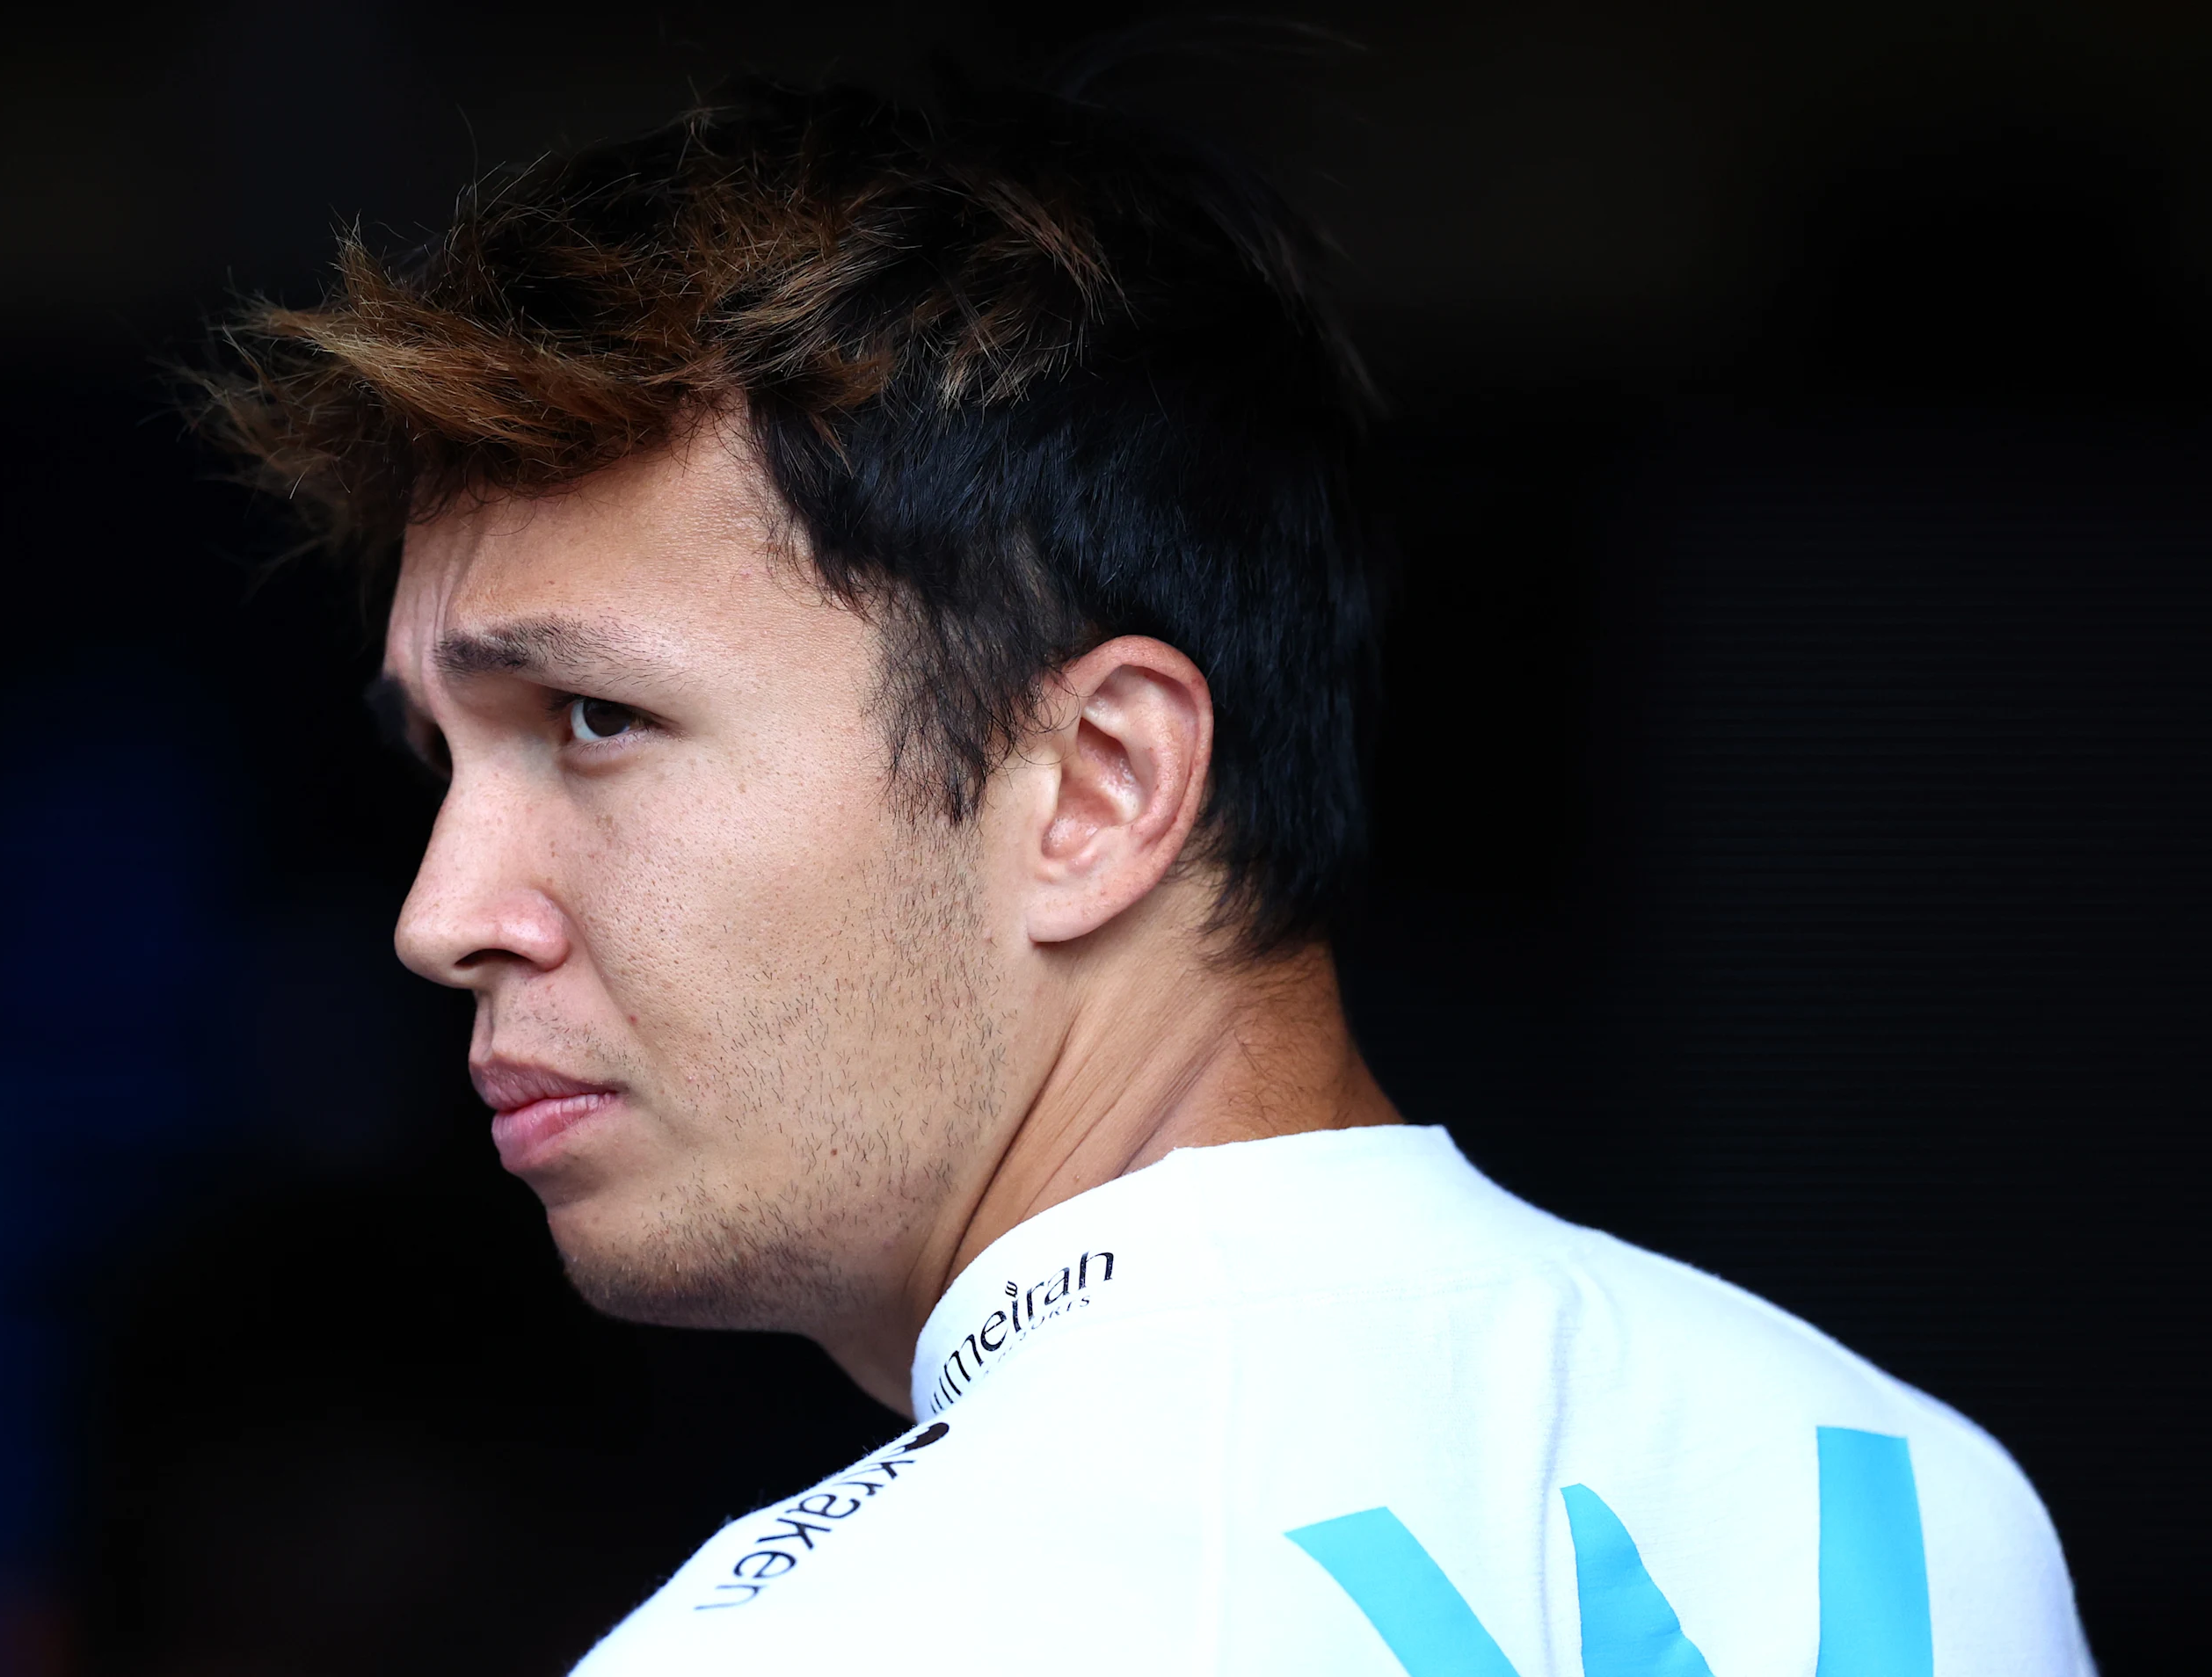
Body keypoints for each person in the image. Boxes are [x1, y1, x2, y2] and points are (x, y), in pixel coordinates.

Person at [196, 76, 2089, 1676]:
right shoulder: (1904, 1497)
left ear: (1096, 785)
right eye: (444, 761)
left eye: (593, 721)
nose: (443, 914)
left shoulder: (831, 1638)